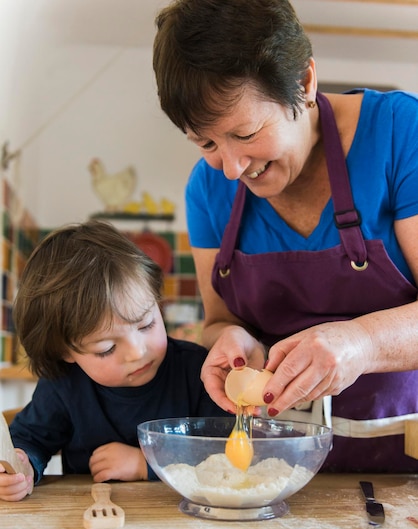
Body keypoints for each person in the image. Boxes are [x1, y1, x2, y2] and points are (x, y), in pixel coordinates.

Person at [153, 0, 418, 471]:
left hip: (406, 460)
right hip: (276, 465)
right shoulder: (207, 187)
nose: (232, 169)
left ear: (305, 83)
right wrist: (233, 340)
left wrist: (360, 343)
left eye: (246, 133)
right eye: (207, 143)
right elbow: (218, 319)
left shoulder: (402, 134)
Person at [0, 220, 228, 501]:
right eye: (106, 348)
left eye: (146, 325)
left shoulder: (199, 371)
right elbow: (30, 438)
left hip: (187, 522)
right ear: (65, 352)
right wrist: (21, 466)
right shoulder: (64, 385)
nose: (137, 352)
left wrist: (147, 464)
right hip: (89, 523)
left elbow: (227, 449)